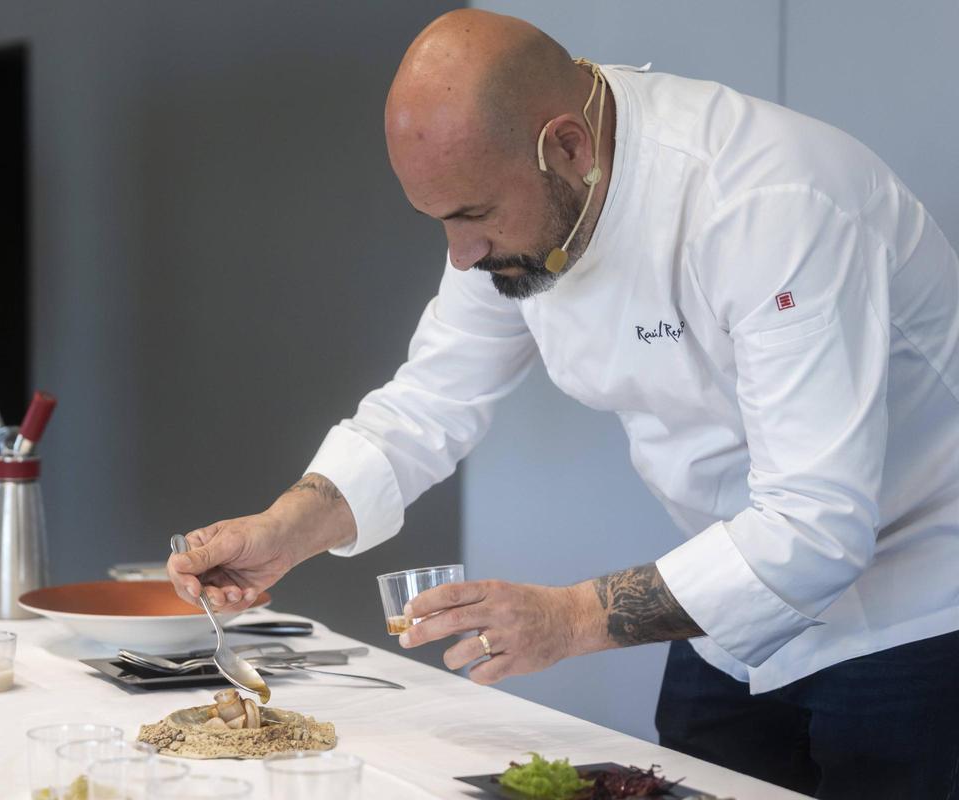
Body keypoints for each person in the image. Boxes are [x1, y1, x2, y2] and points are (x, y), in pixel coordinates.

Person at [167, 9, 959, 798]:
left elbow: (816, 524)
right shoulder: (522, 197)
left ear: (569, 147)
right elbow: (426, 405)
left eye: (473, 216)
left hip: (916, 609)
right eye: (439, 220)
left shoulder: (773, 202)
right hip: (727, 608)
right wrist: (283, 528)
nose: (460, 253)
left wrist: (569, 618)